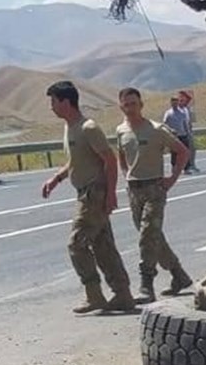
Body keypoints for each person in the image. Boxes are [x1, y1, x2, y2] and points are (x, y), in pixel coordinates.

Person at [40, 80, 135, 315]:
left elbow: (109, 160)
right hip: (84, 192)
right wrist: (57, 178)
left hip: (93, 194)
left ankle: (94, 296)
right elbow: (76, 159)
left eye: (54, 101)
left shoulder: (88, 128)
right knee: (103, 246)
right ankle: (122, 294)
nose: (51, 106)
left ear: (66, 102)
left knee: (76, 245)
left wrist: (111, 194)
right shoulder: (70, 127)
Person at [115, 87, 193, 304]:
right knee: (153, 237)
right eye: (126, 104)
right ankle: (179, 275)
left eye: (134, 103)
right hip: (134, 189)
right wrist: (125, 175)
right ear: (121, 106)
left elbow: (182, 151)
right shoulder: (121, 130)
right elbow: (121, 155)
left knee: (148, 235)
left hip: (154, 188)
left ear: (141, 105)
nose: (130, 108)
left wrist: (172, 179)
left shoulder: (156, 129)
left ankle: (146, 284)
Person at [163, 94, 195, 174]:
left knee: (185, 152)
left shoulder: (182, 113)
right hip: (174, 136)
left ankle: (186, 168)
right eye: (173, 102)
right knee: (174, 153)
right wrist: (169, 131)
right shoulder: (168, 113)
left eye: (176, 102)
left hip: (183, 135)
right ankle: (174, 167)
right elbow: (164, 124)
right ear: (171, 103)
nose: (175, 104)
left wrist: (188, 133)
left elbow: (185, 123)